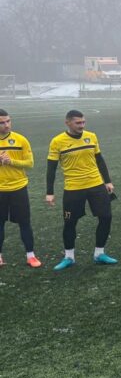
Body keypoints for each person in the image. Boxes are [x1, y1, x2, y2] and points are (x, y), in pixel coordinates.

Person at [46, 109, 117, 270]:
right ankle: (69, 257)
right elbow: (51, 168)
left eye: (83, 122)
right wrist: (50, 192)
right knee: (70, 222)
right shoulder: (57, 141)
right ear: (67, 123)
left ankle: (99, 254)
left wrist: (107, 181)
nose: (82, 125)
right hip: (73, 188)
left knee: (106, 217)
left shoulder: (91, 136)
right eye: (78, 123)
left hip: (96, 184)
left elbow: (99, 159)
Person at [0, 109, 41, 267]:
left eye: (8, 121)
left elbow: (30, 164)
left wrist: (11, 161)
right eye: (2, 123)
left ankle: (31, 255)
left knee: (25, 222)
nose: (6, 125)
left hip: (19, 188)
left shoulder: (20, 140)